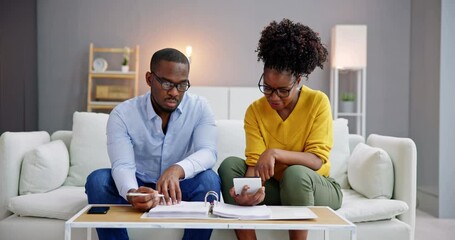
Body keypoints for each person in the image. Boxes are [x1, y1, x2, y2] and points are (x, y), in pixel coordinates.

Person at [217, 18, 343, 240]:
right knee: (229, 166)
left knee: (295, 174)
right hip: (277, 188)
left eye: (283, 90)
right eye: (267, 88)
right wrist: (249, 191)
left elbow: (316, 161)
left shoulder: (317, 102)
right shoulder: (255, 111)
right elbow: (254, 164)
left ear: (298, 81)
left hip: (315, 187)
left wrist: (274, 153)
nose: (273, 97)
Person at [85, 48, 221, 240]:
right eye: (167, 83)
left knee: (210, 180)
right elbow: (123, 165)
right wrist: (132, 193)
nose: (174, 92)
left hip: (180, 186)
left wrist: (176, 169)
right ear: (149, 79)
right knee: (98, 181)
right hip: (139, 182)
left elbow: (208, 152)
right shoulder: (122, 114)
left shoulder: (200, 107)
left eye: (182, 85)